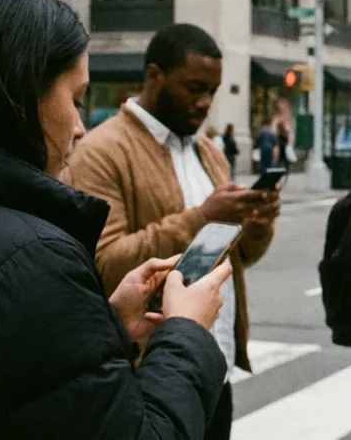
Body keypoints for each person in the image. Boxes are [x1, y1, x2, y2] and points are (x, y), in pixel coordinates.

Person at [0, 0, 233, 436]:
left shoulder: (209, 150)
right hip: (168, 371)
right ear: (20, 96)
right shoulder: (34, 258)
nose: (79, 126)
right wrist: (186, 331)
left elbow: (22, 380)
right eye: (75, 99)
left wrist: (106, 324)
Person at [63, 23, 280, 440]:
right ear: (153, 75)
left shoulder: (208, 152)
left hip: (212, 369)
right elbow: (103, 266)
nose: (204, 103)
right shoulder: (101, 152)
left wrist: (258, 219)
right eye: (193, 88)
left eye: (212, 92)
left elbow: (238, 257)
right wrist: (201, 217)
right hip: (149, 377)